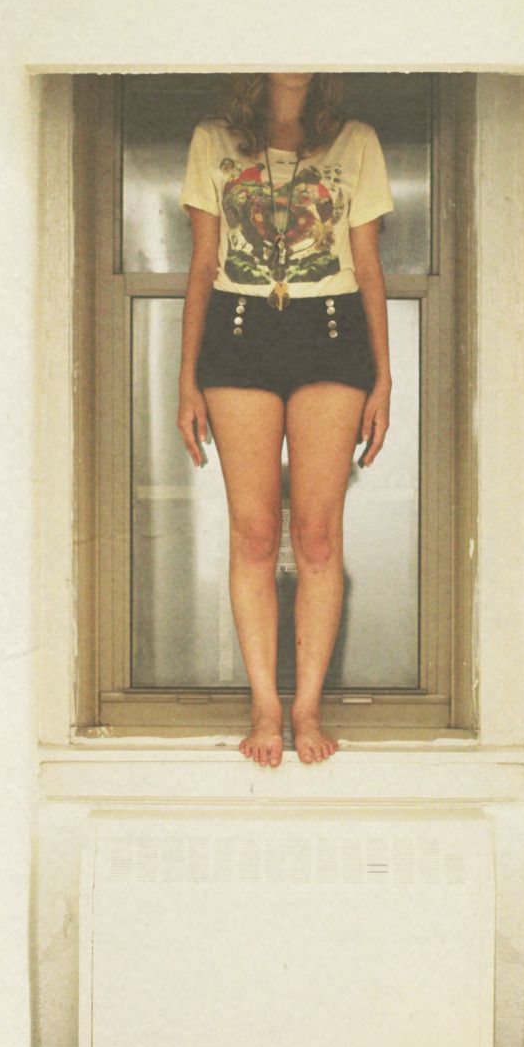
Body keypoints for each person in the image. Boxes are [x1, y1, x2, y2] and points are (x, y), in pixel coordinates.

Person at [177, 72, 394, 768]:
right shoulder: (214, 140)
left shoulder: (355, 141)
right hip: (237, 331)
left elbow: (368, 265)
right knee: (254, 532)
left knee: (318, 535)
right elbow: (202, 263)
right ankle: (266, 705)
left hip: (331, 330)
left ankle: (307, 708)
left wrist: (384, 376)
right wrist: (186, 378)